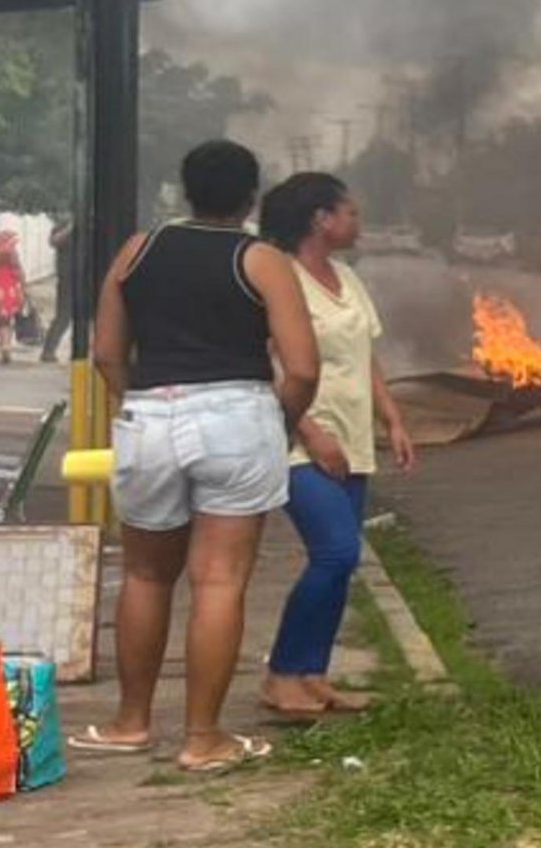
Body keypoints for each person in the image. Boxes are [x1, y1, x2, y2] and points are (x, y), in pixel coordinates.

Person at [77, 141, 320, 774]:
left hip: (149, 415)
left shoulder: (138, 250)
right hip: (235, 417)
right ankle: (203, 737)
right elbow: (301, 367)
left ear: (185, 190)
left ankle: (130, 723)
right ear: (250, 197)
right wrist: (280, 423)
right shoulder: (261, 260)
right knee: (218, 579)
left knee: (145, 575)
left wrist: (140, 405)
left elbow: (106, 351)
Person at [253, 174, 418, 720]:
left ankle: (312, 675)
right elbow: (271, 362)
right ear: (320, 220)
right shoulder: (283, 279)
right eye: (349, 212)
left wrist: (392, 418)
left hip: (353, 437)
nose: (357, 221)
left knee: (341, 561)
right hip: (303, 440)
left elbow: (364, 355)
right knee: (337, 551)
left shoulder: (346, 276)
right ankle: (282, 674)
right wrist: (310, 430)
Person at [0, 214, 21, 362]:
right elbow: (15, 262)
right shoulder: (3, 241)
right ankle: (5, 346)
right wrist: (21, 283)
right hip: (5, 282)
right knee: (4, 319)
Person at [40, 215, 73, 363]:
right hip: (68, 278)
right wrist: (72, 227)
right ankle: (48, 351)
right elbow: (54, 241)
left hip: (90, 277)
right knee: (63, 316)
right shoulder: (65, 222)